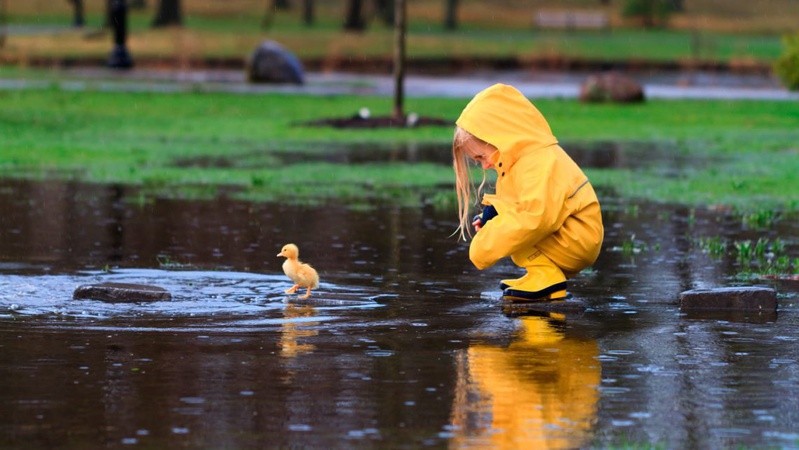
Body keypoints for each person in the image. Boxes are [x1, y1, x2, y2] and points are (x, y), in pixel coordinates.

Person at [452, 83, 604, 301]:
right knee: (512, 227)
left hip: (577, 240)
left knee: (517, 230)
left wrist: (484, 246)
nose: (485, 166)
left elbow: (536, 218)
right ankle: (541, 274)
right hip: (568, 236)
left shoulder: (539, 161)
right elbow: (517, 203)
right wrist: (492, 215)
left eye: (481, 157)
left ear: (498, 137)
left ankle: (547, 277)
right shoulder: (520, 162)